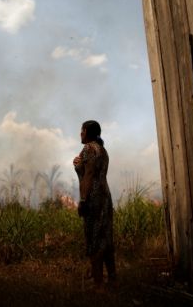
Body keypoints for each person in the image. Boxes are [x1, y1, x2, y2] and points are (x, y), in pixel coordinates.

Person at [73, 120, 116, 291]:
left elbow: (89, 175)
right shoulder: (102, 150)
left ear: (87, 132)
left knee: (94, 239)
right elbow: (93, 172)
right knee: (106, 238)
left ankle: (98, 284)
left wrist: (83, 200)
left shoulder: (88, 149)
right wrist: (79, 166)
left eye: (82, 131)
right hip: (105, 197)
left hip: (93, 199)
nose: (80, 134)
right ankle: (113, 278)